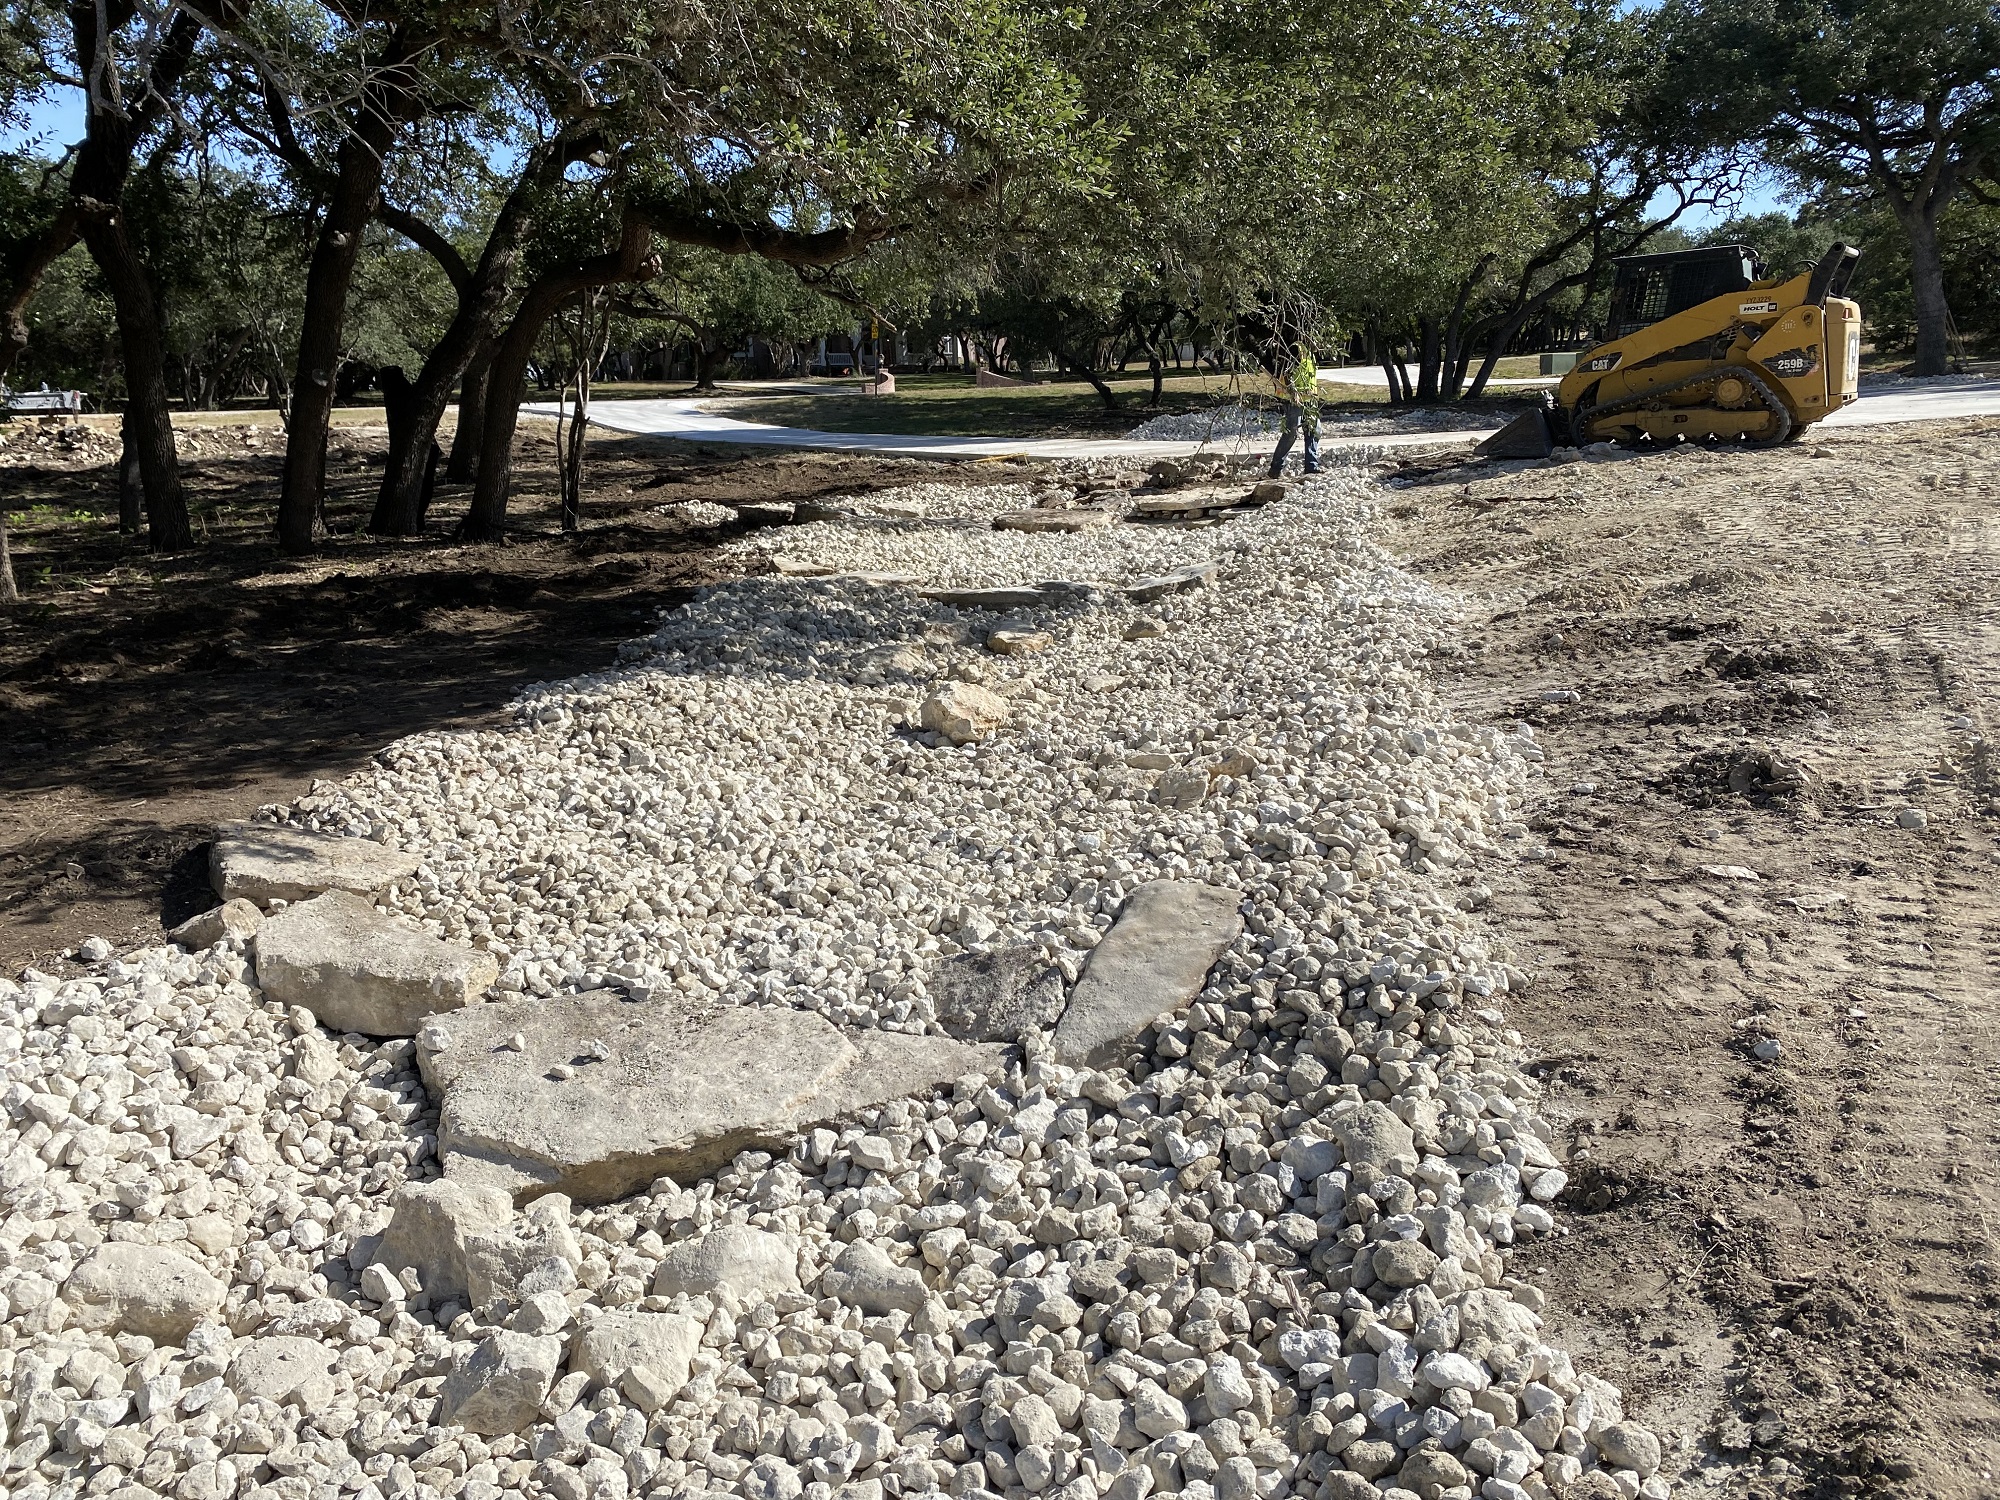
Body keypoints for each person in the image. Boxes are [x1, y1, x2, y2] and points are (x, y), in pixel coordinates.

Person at [1269, 342, 1321, 477]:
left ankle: (1311, 466)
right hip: (1293, 400)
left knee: (1314, 431)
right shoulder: (1295, 348)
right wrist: (1293, 391)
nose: (1318, 345)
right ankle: (1275, 469)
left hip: (1309, 399)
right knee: (1291, 434)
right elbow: (1286, 372)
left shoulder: (1310, 354)